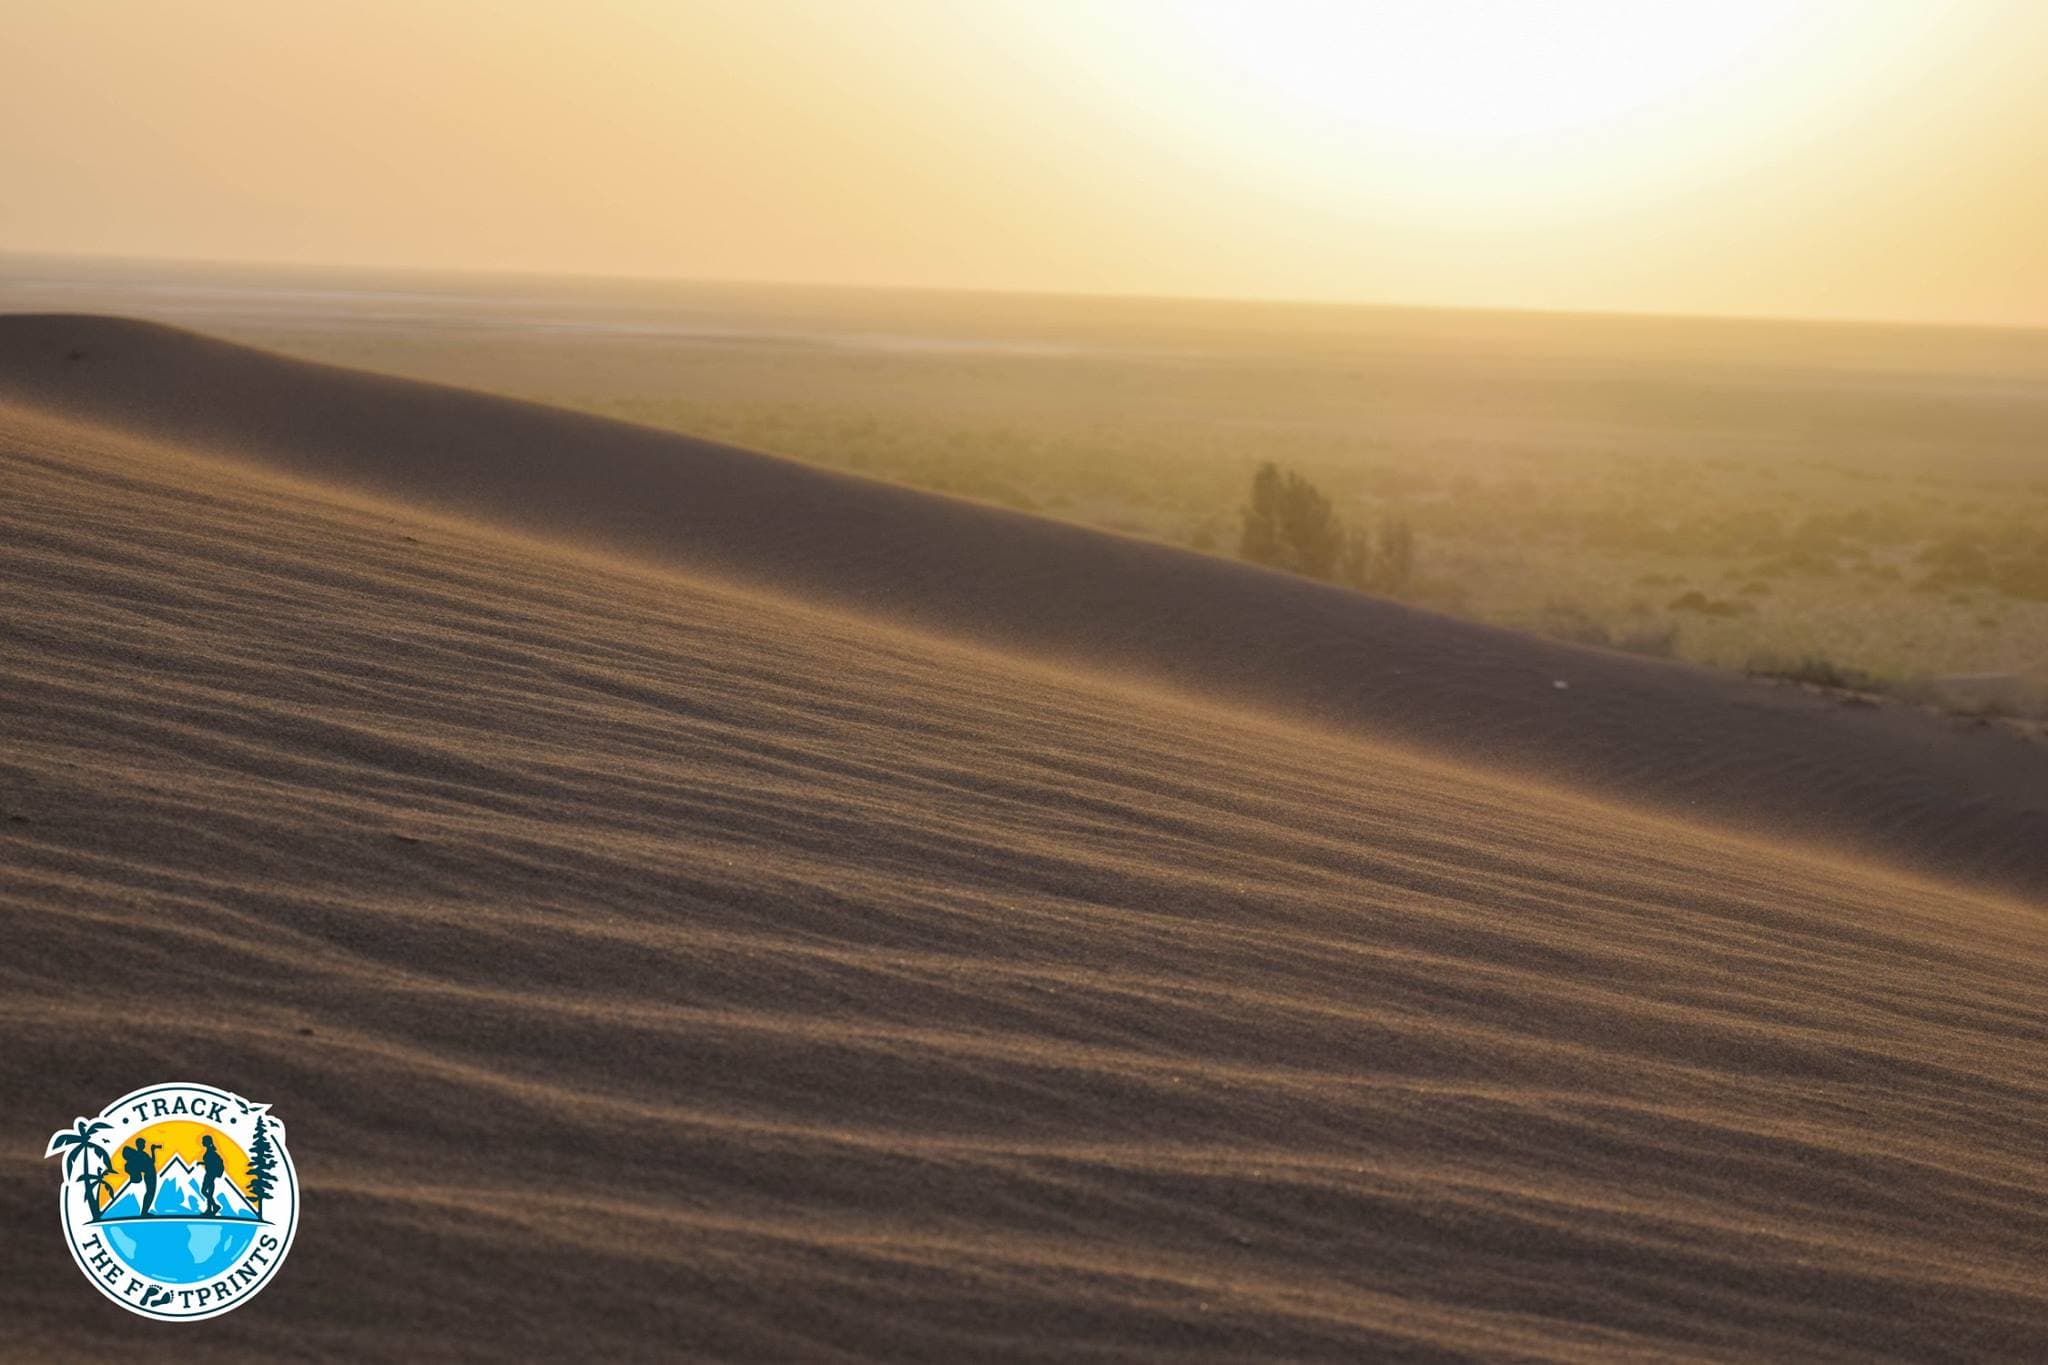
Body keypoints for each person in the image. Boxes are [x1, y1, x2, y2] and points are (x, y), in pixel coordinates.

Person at [121, 1137, 159, 1217]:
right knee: (150, 1193)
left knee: (150, 1193)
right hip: (150, 1174)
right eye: (142, 1144)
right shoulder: (140, 1155)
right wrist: (152, 1150)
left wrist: (152, 1150)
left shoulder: (141, 1154)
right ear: (139, 1145)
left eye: (144, 1144)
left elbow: (151, 1162)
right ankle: (144, 1212)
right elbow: (150, 1163)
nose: (144, 1145)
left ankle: (144, 1212)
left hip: (150, 1174)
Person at [198, 1134, 226, 1216]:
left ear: (207, 1142)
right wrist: (202, 1163)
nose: (202, 1142)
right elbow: (209, 1162)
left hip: (210, 1174)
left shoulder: (210, 1152)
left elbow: (211, 1163)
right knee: (209, 1193)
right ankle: (210, 1209)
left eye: (203, 1141)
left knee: (204, 1191)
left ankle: (214, 1206)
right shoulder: (210, 1151)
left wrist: (205, 1163)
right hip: (210, 1174)